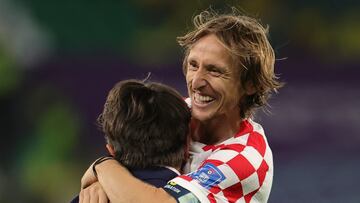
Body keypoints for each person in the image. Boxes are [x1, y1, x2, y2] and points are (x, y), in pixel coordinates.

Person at [80, 9, 283, 203]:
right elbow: (125, 163)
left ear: (250, 84)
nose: (196, 82)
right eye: (193, 66)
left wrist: (103, 167)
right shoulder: (175, 112)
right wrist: (104, 183)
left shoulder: (247, 159)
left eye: (214, 71)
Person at [72, 79, 191, 202]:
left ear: (111, 151)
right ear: (187, 145)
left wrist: (101, 165)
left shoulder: (83, 199)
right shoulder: (201, 194)